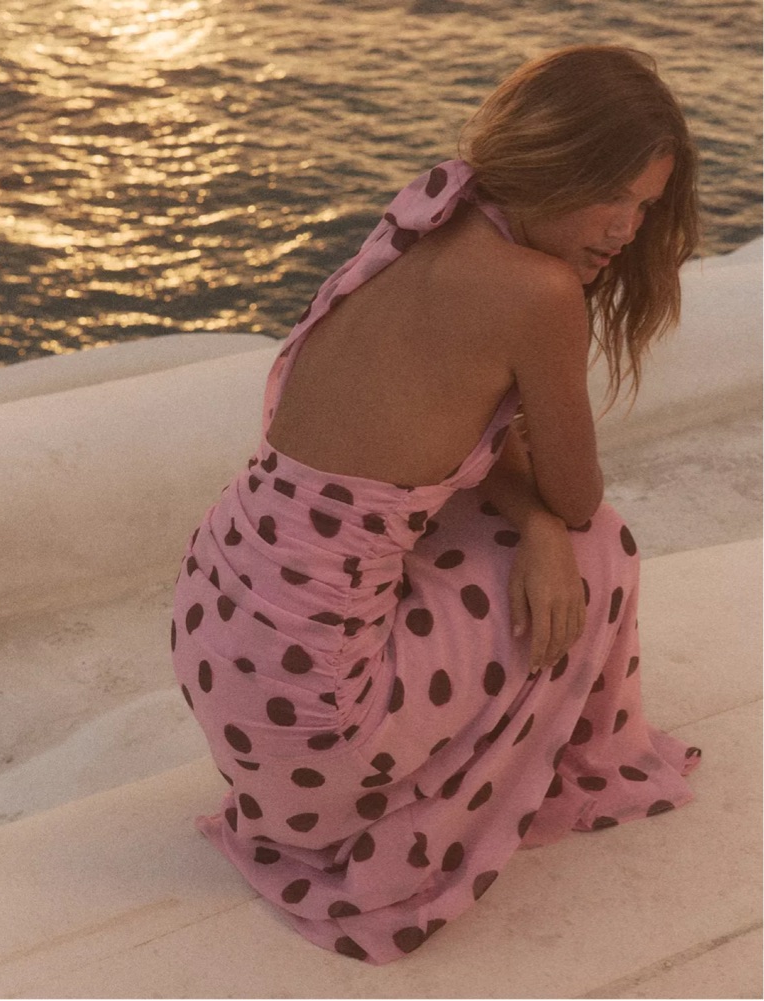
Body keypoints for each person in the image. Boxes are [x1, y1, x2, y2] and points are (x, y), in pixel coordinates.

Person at [171, 45, 702, 965]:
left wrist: (532, 518)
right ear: (550, 161)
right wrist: (550, 524)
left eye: (646, 206)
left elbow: (451, 445)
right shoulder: (538, 291)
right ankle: (573, 764)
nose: (625, 228)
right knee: (599, 553)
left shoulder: (431, 221)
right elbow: (577, 495)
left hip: (223, 636)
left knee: (528, 535)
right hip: (318, 712)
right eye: (608, 194)